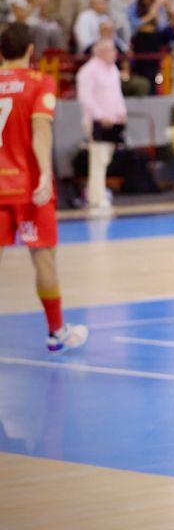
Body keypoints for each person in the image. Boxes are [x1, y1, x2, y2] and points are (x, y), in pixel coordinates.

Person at [0, 23, 88, 353]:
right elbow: (40, 130)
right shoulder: (39, 82)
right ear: (30, 51)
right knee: (44, 259)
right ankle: (56, 332)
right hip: (27, 187)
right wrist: (44, 173)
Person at [76, 39, 126, 215]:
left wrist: (121, 112)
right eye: (110, 50)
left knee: (106, 159)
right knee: (97, 159)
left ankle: (99, 193)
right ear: (100, 52)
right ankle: (96, 197)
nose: (114, 53)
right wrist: (99, 115)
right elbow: (85, 97)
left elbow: (117, 93)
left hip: (113, 121)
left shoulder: (112, 69)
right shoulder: (88, 71)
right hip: (97, 122)